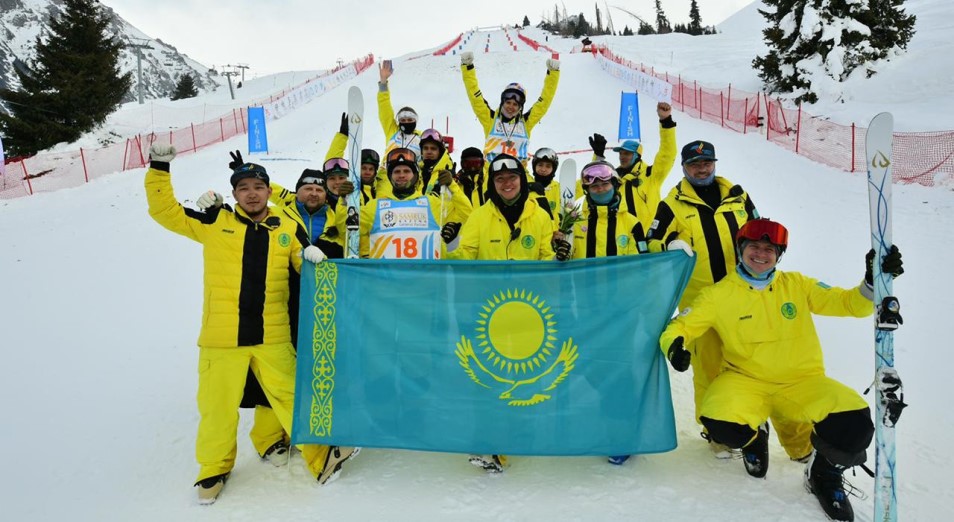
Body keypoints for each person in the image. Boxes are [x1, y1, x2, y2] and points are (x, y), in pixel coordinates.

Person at [145, 144, 359, 503]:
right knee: (217, 409)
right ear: (234, 194)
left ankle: (320, 457)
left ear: (268, 190)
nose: (252, 194)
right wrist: (159, 167)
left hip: (271, 337)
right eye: (243, 188)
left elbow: (303, 268)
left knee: (293, 398)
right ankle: (213, 470)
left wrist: (314, 257)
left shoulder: (286, 226)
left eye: (258, 187)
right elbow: (165, 211)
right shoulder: (217, 222)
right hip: (221, 339)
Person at [660, 218, 904, 522]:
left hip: (802, 382)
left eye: (769, 249)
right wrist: (674, 344)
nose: (760, 254)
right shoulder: (718, 294)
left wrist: (872, 281)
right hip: (746, 382)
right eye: (753, 247)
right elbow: (680, 324)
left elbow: (849, 304)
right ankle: (754, 439)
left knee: (855, 425)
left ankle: (823, 474)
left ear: (779, 255)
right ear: (740, 249)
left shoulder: (798, 285)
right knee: (717, 421)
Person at [647, 140, 814, 464]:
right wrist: (670, 243)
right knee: (709, 369)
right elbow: (650, 240)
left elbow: (760, 232)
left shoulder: (738, 196)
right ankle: (719, 433)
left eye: (707, 162)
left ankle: (793, 439)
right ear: (684, 167)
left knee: (763, 366)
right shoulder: (672, 204)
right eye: (695, 164)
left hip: (747, 296)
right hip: (702, 301)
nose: (702, 168)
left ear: (714, 163)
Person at [447, 153, 565, 473]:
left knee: (520, 375)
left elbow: (546, 258)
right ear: (492, 183)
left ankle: (516, 434)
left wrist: (559, 256)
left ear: (521, 179)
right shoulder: (481, 216)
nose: (507, 184)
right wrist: (436, 255)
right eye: (499, 180)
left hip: (528, 313)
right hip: (489, 313)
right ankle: (492, 440)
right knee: (490, 376)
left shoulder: (539, 215)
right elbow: (466, 254)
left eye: (512, 177)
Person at [359, 147, 470, 259]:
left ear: (415, 176)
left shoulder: (431, 203)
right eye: (397, 171)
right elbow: (346, 228)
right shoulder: (374, 207)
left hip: (424, 275)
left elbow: (466, 214)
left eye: (406, 171)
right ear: (389, 176)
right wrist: (344, 200)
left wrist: (452, 185)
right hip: (386, 276)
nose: (401, 175)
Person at [588, 101, 678, 235]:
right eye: (621, 153)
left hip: (649, 237)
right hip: (622, 239)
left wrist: (666, 121)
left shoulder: (651, 174)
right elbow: (595, 180)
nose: (622, 157)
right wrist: (599, 156)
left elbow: (667, 153)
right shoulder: (614, 178)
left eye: (627, 153)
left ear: (637, 155)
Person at [459, 51, 560, 165]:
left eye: (515, 104)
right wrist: (467, 67)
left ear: (520, 107)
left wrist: (553, 73)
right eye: (508, 102)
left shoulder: (526, 122)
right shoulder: (490, 119)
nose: (511, 107)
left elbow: (544, 102)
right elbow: (475, 96)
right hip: (492, 175)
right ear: (502, 102)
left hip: (518, 176)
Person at [570, 161, 650, 260]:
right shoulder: (576, 223)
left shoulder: (632, 223)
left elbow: (643, 262)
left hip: (621, 275)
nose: (600, 189)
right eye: (594, 186)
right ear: (587, 191)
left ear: (615, 185)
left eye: (605, 184)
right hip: (585, 276)